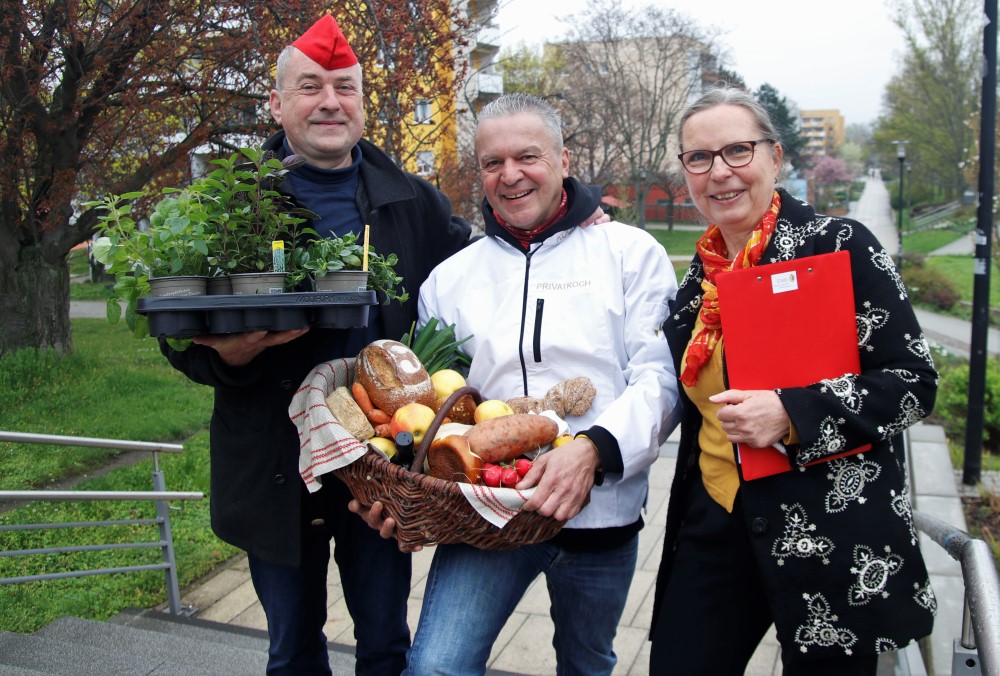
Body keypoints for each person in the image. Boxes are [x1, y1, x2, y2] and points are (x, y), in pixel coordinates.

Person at [160, 14, 470, 676]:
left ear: (363, 102)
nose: (331, 101)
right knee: (291, 649)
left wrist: (573, 212)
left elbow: (487, 270)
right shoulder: (230, 204)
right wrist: (224, 355)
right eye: (310, 86)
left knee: (386, 643)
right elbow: (179, 329)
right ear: (276, 103)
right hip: (274, 462)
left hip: (382, 463)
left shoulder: (415, 203)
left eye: (345, 87)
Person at [355, 92, 680, 674]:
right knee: (435, 667)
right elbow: (434, 405)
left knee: (587, 664)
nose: (510, 176)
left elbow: (660, 377)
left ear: (564, 159)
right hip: (485, 513)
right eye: (491, 163)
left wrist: (594, 451)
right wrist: (401, 491)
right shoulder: (451, 279)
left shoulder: (631, 254)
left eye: (527, 156)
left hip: (599, 511)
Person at [648, 86, 938, 675]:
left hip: (827, 532)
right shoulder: (693, 291)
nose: (719, 172)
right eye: (699, 158)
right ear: (686, 173)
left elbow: (913, 384)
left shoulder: (839, 248)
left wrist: (791, 413)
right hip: (717, 520)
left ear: (775, 158)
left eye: (737, 151)